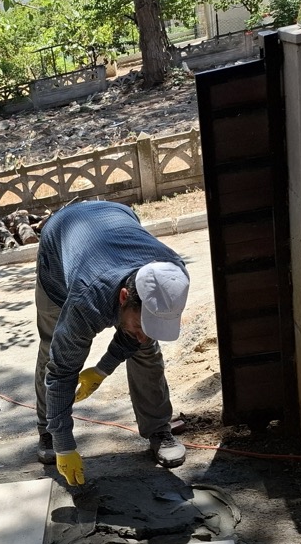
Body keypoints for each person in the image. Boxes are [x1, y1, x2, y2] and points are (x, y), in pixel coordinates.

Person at [34, 200, 190, 486]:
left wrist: (103, 368)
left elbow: (137, 337)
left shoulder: (173, 276)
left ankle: (158, 429)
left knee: (146, 348)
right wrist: (64, 444)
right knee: (52, 348)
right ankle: (48, 430)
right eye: (141, 324)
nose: (144, 334)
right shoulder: (87, 300)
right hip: (59, 243)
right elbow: (61, 372)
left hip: (116, 218)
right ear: (123, 297)